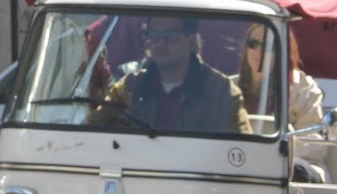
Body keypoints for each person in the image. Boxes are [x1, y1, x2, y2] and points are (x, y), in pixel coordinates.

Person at [93, 16, 250, 134]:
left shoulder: (222, 92)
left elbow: (242, 154)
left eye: (170, 37)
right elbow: (91, 132)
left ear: (191, 40)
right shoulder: (128, 87)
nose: (160, 44)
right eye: (153, 37)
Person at [238, 23, 329, 181]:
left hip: (295, 170)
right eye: (253, 44)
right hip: (238, 165)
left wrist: (264, 157)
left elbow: (313, 144)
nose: (259, 51)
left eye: (269, 46)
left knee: (296, 170)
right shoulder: (230, 89)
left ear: (284, 50)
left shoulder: (304, 89)